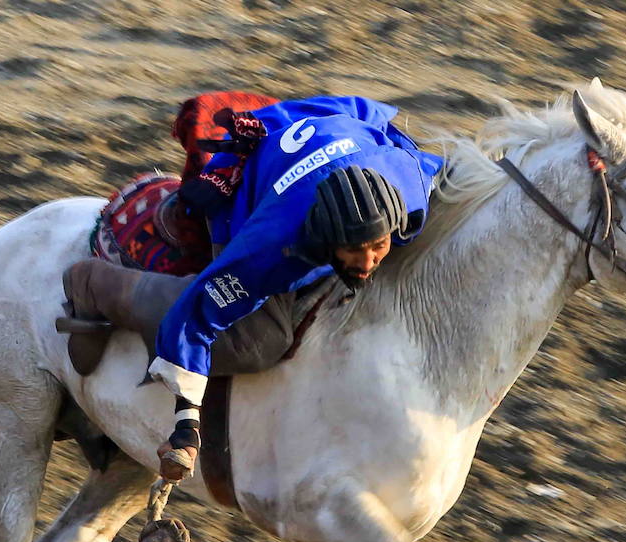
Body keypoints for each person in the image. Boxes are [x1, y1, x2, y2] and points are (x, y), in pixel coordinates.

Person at [149, 95, 443, 481]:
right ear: (325, 241)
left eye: (379, 246)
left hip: (343, 124)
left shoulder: (412, 188)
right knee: (260, 341)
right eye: (355, 251)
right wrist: (186, 427)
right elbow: (195, 317)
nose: (369, 261)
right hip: (256, 175)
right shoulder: (270, 246)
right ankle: (101, 287)